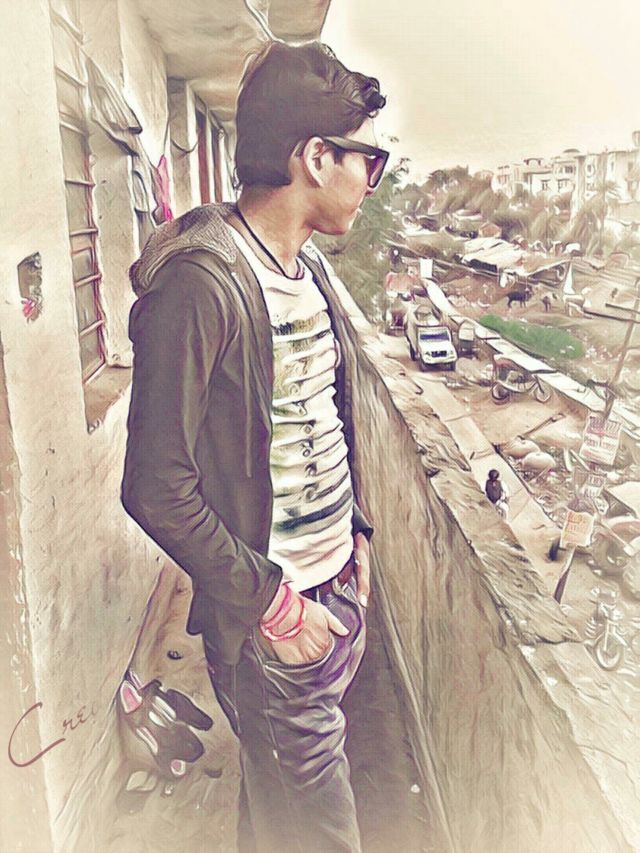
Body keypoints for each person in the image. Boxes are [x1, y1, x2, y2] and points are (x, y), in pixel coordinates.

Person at [121, 41, 388, 853]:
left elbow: (321, 419)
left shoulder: (305, 272)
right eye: (368, 160)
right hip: (275, 627)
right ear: (316, 157)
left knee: (278, 812)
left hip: (331, 596)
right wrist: (275, 603)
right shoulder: (201, 285)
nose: (371, 181)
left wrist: (354, 534)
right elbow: (155, 484)